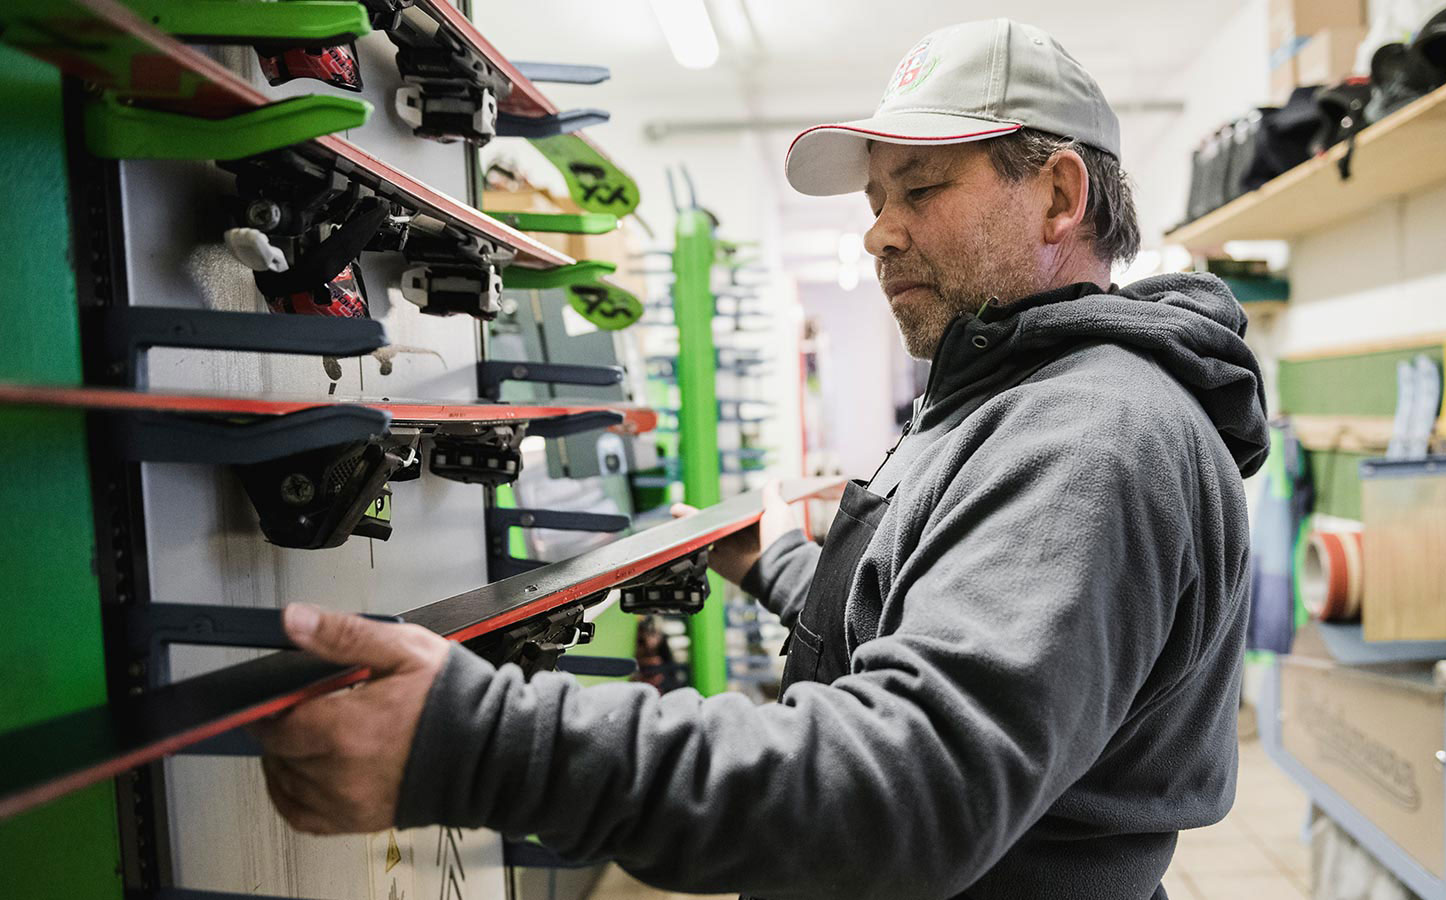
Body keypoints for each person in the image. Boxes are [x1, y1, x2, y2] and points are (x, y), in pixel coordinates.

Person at [254, 18, 1268, 900]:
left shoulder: (1090, 435)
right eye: (876, 197)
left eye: (919, 188)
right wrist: (775, 565)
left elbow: (917, 784)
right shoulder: (1002, 397)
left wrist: (486, 748)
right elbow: (913, 618)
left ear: (1057, 194)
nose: (879, 231)